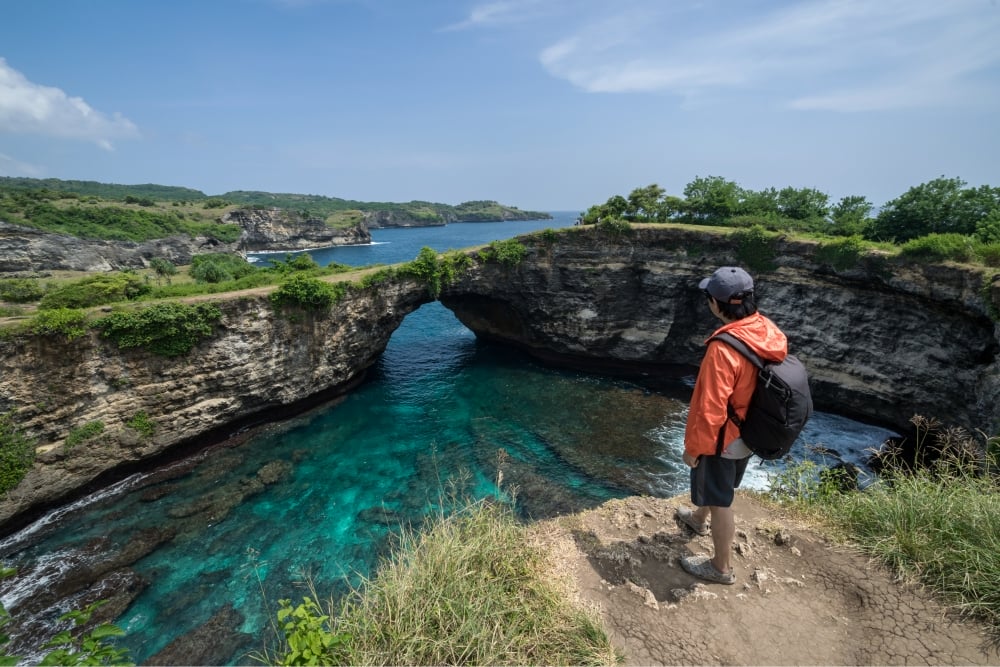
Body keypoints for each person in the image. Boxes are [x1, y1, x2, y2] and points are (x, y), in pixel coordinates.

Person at [676, 266, 788, 585]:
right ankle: (698, 519)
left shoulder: (723, 348)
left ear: (716, 303)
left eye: (709, 296)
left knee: (722, 499)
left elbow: (710, 408)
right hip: (753, 428)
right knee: (720, 487)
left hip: (725, 437)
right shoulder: (766, 330)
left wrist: (694, 449)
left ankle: (720, 567)